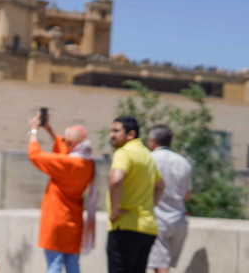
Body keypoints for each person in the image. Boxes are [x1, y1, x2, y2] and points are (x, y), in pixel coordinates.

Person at [27, 112, 96, 273]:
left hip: (55, 219)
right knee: (73, 265)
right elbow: (66, 149)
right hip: (74, 221)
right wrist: (49, 129)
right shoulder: (88, 164)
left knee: (54, 265)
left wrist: (34, 130)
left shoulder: (65, 163)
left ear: (71, 143)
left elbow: (34, 155)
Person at [106, 117, 164, 273]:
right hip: (148, 229)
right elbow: (160, 185)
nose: (111, 134)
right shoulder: (146, 155)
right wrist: (150, 205)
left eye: (116, 131)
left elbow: (116, 181)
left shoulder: (124, 152)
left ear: (130, 134)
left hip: (125, 226)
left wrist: (115, 210)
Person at [146, 124, 192, 273]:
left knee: (160, 265)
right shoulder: (183, 162)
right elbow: (187, 195)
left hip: (159, 218)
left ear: (152, 141)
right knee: (164, 262)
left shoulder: (149, 159)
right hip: (179, 219)